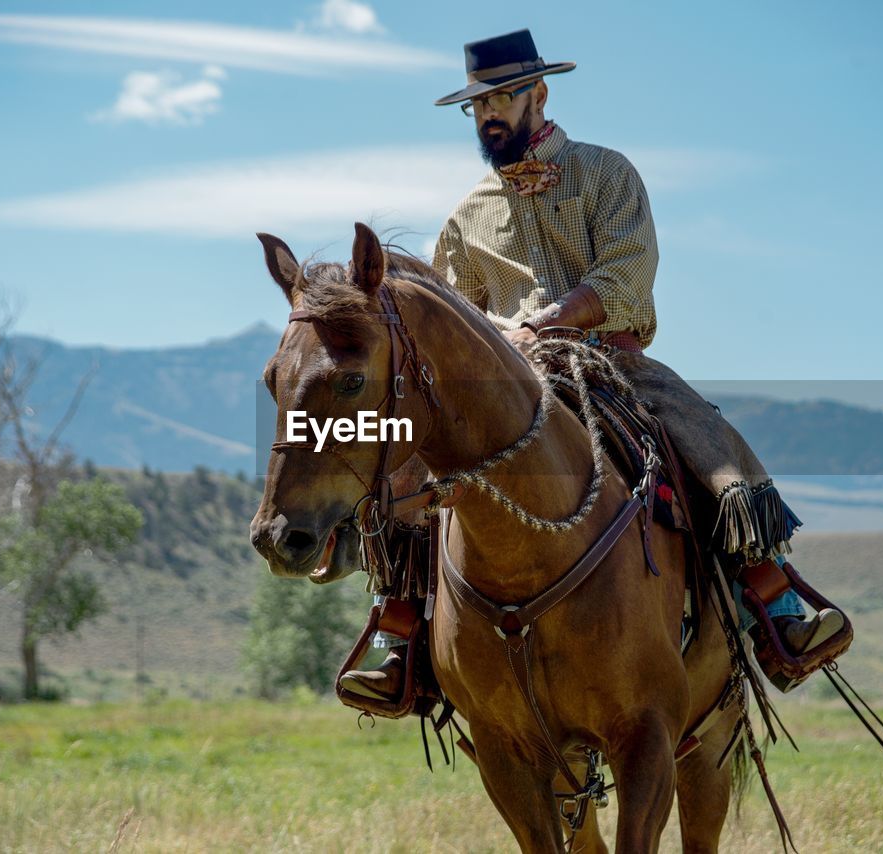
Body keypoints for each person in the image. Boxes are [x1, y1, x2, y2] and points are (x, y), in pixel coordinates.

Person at [340, 29, 842, 701]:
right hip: (503, 377)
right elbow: (452, 316)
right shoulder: (467, 216)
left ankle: (776, 606)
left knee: (705, 441)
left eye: (501, 98)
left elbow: (626, 274)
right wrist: (498, 339)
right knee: (411, 464)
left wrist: (546, 322)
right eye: (477, 105)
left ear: (538, 95)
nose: (488, 115)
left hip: (611, 362)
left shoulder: (608, 174)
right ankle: (400, 636)